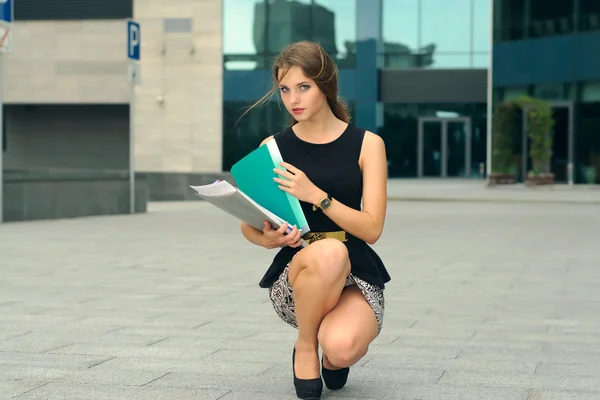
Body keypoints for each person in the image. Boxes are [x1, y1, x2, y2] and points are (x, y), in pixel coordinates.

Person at [239, 41, 391, 400]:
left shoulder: (368, 144)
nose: (294, 99)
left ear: (326, 85)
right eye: (285, 89)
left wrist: (315, 195)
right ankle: (306, 346)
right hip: (299, 275)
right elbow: (249, 224)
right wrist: (268, 239)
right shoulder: (273, 148)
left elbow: (372, 229)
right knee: (329, 252)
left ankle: (330, 357)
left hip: (357, 275)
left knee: (341, 348)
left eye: (304, 87)